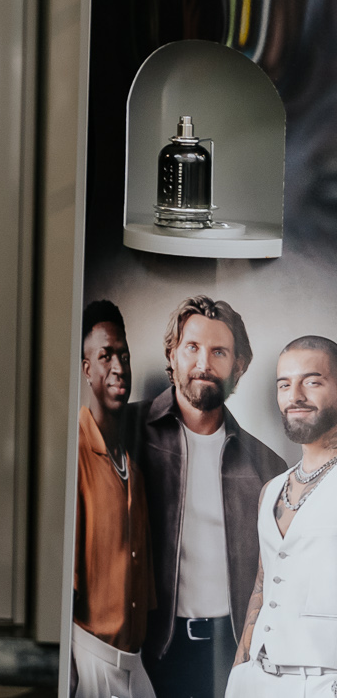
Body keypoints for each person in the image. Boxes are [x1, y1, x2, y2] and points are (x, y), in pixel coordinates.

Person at [143, 297, 287, 698]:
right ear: (172, 355)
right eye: (192, 347)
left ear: (238, 367)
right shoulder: (128, 436)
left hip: (233, 652)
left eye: (219, 352)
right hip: (148, 649)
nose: (203, 363)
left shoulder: (267, 467)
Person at [226, 335, 337, 697]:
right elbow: (263, 586)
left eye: (312, 381)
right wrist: (239, 672)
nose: (295, 396)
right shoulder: (271, 490)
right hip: (257, 679)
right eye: (284, 384)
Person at [75, 300, 156, 698]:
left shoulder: (132, 469)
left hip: (134, 665)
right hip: (91, 660)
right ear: (87, 368)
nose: (119, 367)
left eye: (124, 356)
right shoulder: (74, 452)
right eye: (106, 356)